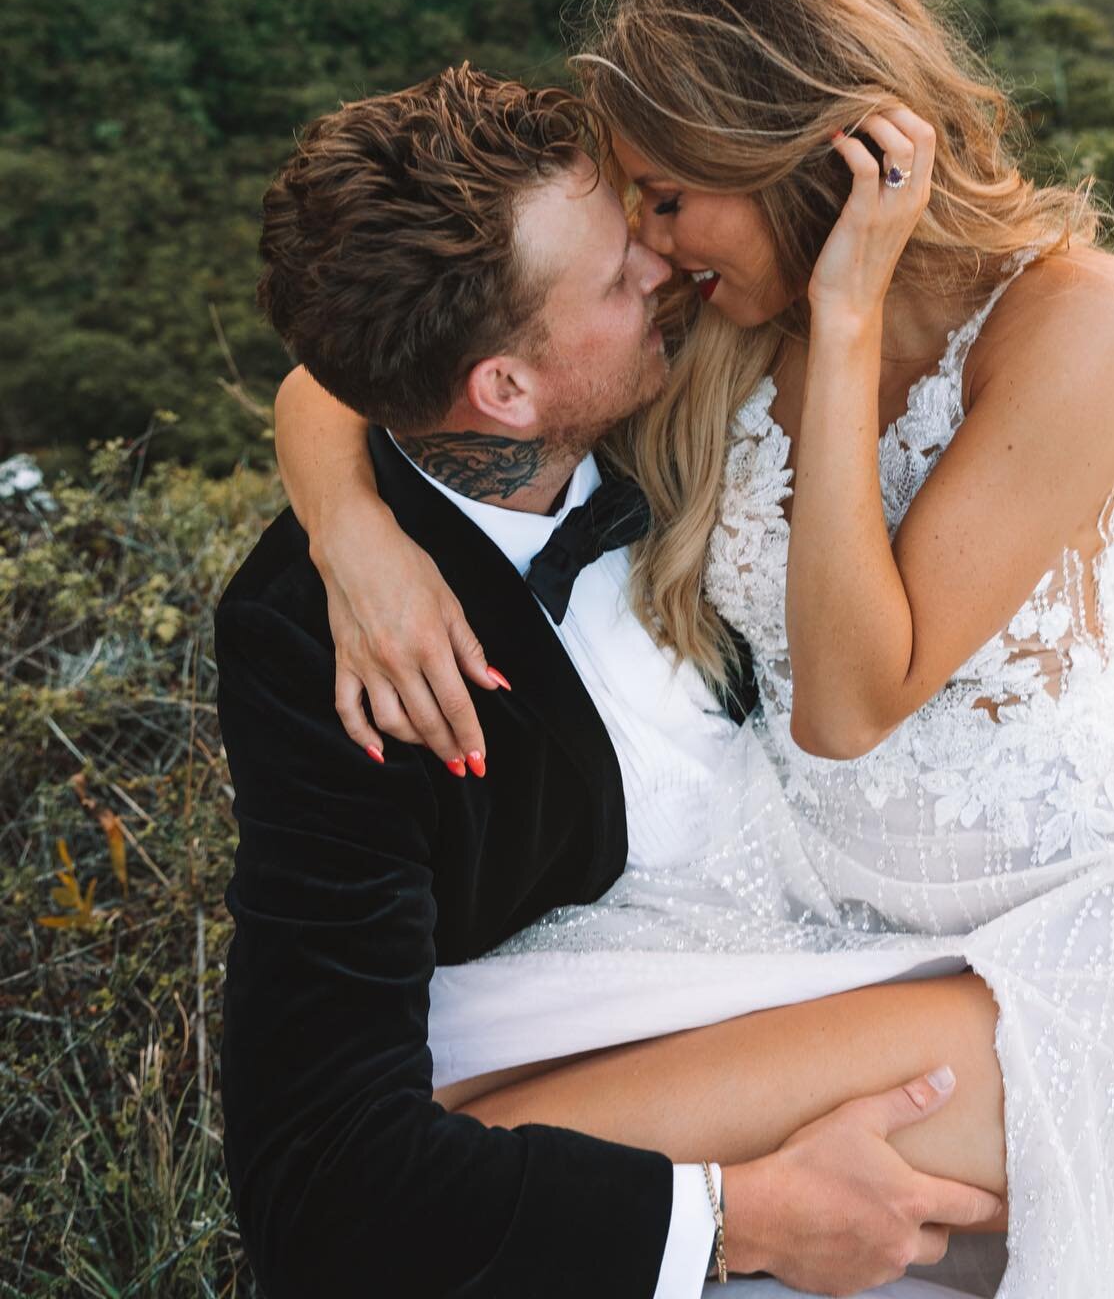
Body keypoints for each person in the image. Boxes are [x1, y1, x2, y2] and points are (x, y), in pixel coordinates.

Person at [278, 0, 1114, 1298]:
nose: (648, 246)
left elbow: (855, 697)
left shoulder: (1075, 316)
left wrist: (842, 323)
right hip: (841, 892)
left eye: (665, 197)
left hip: (1065, 895)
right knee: (448, 1135)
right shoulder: (712, 318)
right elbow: (379, 357)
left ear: (804, 164)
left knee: (492, 1155)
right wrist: (356, 536)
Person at [217, 65, 1011, 1299]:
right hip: (601, 1054)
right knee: (1051, 1055)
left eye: (639, 212)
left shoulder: (687, 383)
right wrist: (730, 1220)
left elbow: (1020, 578)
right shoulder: (319, 646)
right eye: (614, 268)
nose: (665, 260)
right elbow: (316, 1184)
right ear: (506, 390)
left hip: (851, 942)